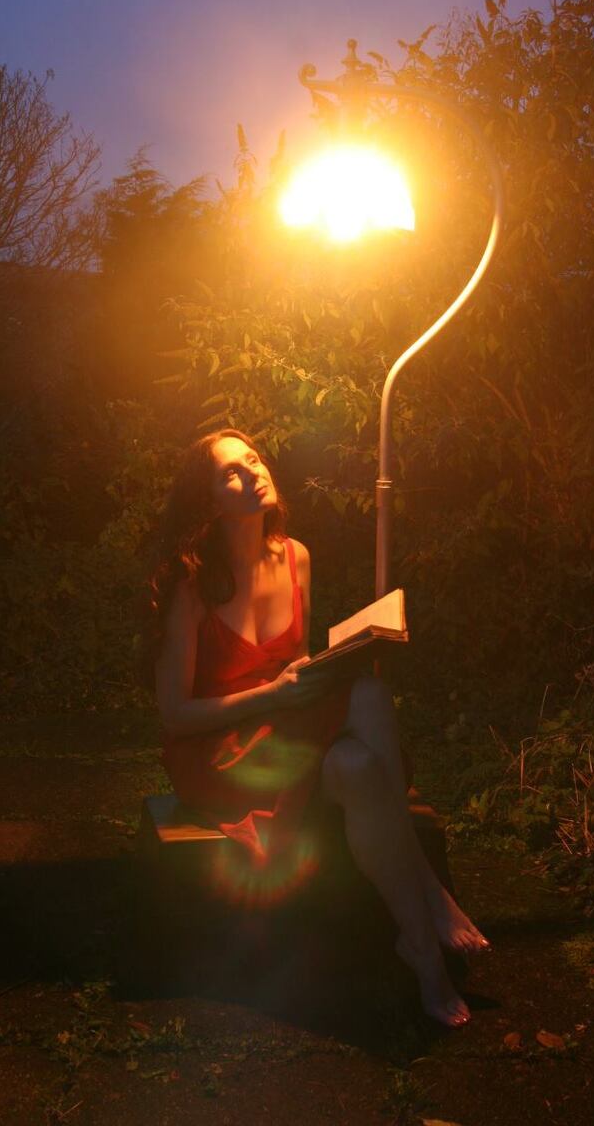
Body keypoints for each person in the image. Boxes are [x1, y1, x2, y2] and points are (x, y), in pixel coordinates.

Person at [147, 428, 489, 1028]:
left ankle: (420, 950)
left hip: (282, 731)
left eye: (253, 459)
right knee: (368, 702)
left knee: (358, 759)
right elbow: (175, 715)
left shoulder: (295, 556)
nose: (252, 473)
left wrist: (318, 672)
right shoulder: (191, 583)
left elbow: (296, 665)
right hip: (217, 752)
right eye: (230, 473)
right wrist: (273, 694)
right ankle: (431, 894)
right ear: (208, 501)